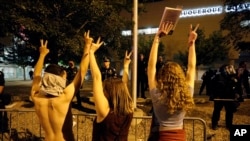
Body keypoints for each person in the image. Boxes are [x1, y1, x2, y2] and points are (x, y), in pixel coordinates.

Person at [30, 31, 92, 141]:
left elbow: (36, 75)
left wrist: (42, 55)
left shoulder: (36, 96)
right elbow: (82, 73)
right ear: (58, 78)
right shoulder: (64, 97)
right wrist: (87, 46)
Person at [147, 22, 199, 141]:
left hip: (163, 137)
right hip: (181, 137)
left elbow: (151, 67)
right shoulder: (186, 93)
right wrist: (192, 44)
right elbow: (191, 67)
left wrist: (157, 38)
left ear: (162, 77)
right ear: (180, 76)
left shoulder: (157, 95)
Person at [89, 37, 134, 141]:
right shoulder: (129, 111)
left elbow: (96, 77)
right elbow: (124, 86)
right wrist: (126, 66)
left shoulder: (104, 113)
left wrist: (91, 52)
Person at [211, 64, 241, 130]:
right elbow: (213, 86)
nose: (232, 69)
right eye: (230, 68)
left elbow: (237, 86)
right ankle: (214, 124)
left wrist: (236, 94)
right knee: (217, 111)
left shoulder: (233, 76)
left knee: (229, 111)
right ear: (225, 69)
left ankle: (229, 125)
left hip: (229, 97)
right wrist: (214, 96)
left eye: (232, 68)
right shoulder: (218, 76)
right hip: (220, 97)